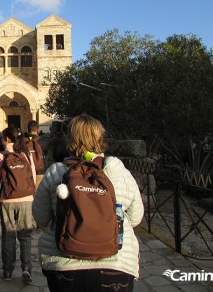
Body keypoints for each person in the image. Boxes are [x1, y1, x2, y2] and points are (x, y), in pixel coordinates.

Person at [32, 114, 144, 292]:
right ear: (100, 138)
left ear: (69, 138)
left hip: (65, 264)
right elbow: (136, 217)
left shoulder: (56, 172)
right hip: (116, 265)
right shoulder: (118, 170)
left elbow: (41, 218)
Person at [0, 127, 36, 283]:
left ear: (6, 139)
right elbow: (31, 175)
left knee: (8, 235)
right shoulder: (26, 155)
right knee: (25, 235)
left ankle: (7, 271)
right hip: (26, 198)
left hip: (7, 199)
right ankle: (26, 268)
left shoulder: (1, 156)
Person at [24, 120, 45, 189]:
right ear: (37, 129)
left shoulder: (22, 141)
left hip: (26, 171)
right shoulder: (42, 140)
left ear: (27, 129)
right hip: (39, 171)